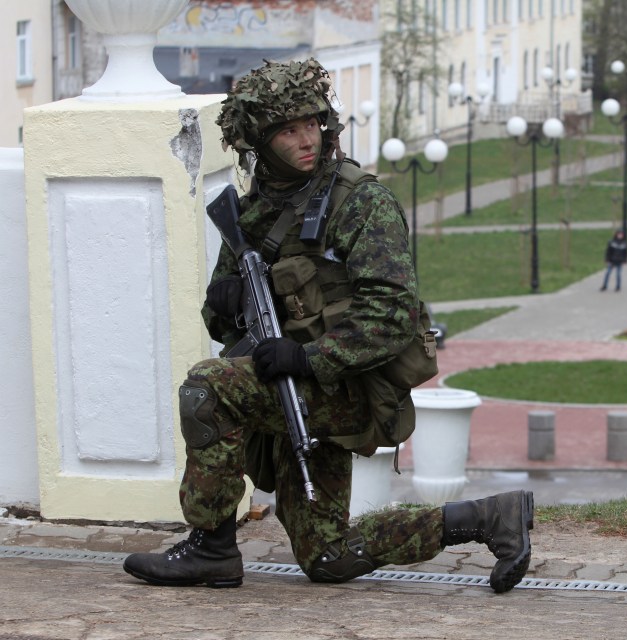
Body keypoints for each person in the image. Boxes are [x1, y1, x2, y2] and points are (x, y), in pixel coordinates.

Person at [122, 58, 533, 594]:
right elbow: (227, 327)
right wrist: (225, 305)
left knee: (207, 389)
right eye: (288, 131)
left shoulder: (361, 202)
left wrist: (308, 358)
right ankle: (489, 517)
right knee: (327, 557)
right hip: (293, 388)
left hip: (347, 386)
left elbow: (391, 316)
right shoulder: (253, 212)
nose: (305, 140)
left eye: (312, 125)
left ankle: (211, 548)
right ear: (260, 141)